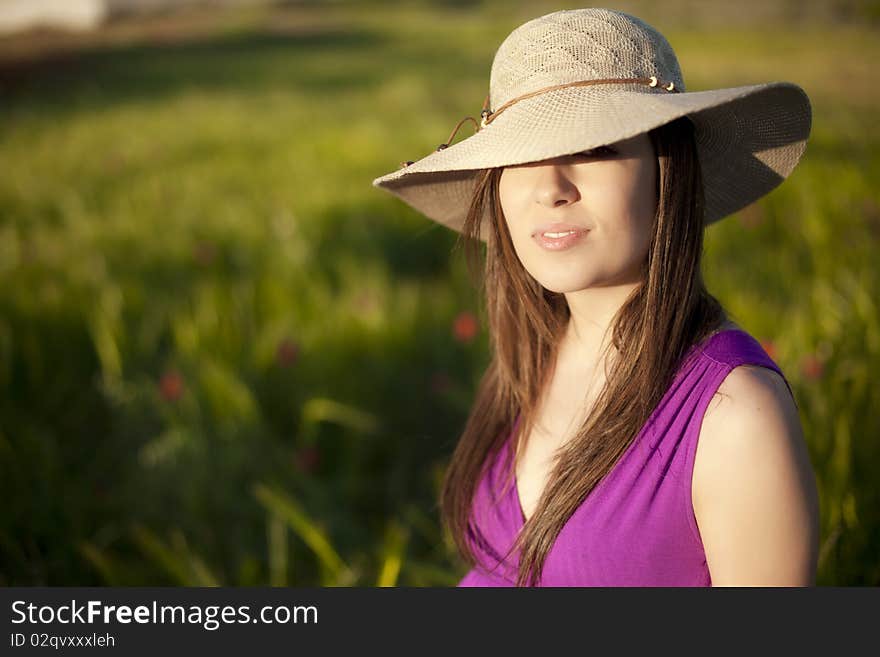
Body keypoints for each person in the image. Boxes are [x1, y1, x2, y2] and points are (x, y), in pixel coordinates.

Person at [372, 8, 820, 587]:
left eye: (597, 147)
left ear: (668, 169)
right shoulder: (536, 356)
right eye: (520, 154)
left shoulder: (734, 416)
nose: (550, 187)